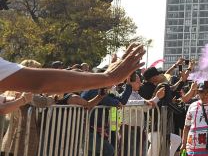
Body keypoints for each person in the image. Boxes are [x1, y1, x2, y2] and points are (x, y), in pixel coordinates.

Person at [0, 44, 145, 94]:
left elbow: (117, 102)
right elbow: (40, 82)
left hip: (112, 122)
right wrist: (108, 78)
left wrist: (109, 79)